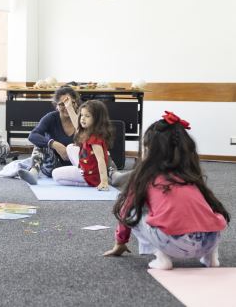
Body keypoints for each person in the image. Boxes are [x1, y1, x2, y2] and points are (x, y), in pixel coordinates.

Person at [103, 111, 229, 269]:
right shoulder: (190, 176)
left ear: (149, 149)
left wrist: (120, 242)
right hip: (210, 240)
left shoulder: (145, 177)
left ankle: (161, 257)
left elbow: (125, 210)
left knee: (133, 210)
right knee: (202, 212)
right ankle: (211, 259)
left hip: (173, 243)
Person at [17, 86, 80, 185]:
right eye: (62, 104)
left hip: (78, 166)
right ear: (56, 106)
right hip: (54, 166)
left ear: (76, 104)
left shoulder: (82, 119)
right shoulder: (51, 117)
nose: (67, 107)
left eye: (70, 103)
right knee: (41, 142)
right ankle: (33, 173)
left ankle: (112, 172)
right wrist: (54, 144)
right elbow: (33, 135)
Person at [52, 100, 114, 191]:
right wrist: (69, 107)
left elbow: (101, 160)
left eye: (87, 116)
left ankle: (87, 182)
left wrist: (104, 181)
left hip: (89, 175)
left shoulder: (95, 138)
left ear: (97, 119)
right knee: (70, 147)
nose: (82, 118)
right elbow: (77, 125)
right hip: (87, 166)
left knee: (55, 174)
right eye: (81, 115)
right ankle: (83, 174)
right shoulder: (88, 131)